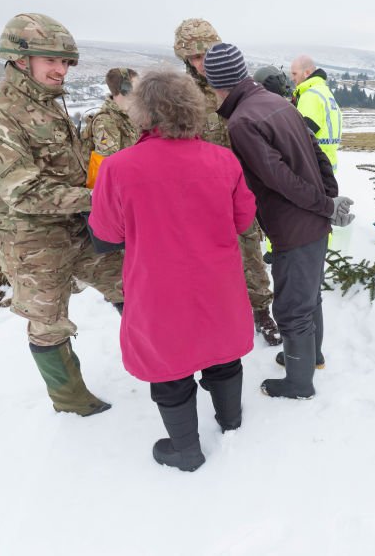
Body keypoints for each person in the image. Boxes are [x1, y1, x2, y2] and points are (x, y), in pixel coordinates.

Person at [89, 70, 255, 472]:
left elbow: (106, 235)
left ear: (143, 112)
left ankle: (185, 449)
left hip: (158, 287)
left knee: (169, 368)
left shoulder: (119, 168)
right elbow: (244, 219)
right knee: (222, 353)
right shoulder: (223, 160)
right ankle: (230, 420)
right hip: (218, 282)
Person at [0, 13, 124, 417]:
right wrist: (103, 198)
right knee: (49, 321)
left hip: (76, 225)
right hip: (30, 237)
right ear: (21, 60)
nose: (61, 70)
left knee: (130, 283)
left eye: (66, 62)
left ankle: (157, 358)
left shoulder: (48, 100)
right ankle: (72, 401)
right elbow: (23, 192)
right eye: (50, 61)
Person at [204, 43, 355, 400]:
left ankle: (298, 383)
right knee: (309, 297)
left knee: (290, 309)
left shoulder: (242, 122)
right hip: (314, 221)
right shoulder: (276, 102)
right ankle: (309, 357)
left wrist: (324, 204)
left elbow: (280, 178)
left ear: (216, 84)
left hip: (294, 227)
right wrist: (328, 199)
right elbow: (317, 152)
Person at [173, 18, 280, 346]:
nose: (202, 63)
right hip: (200, 193)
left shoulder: (235, 85)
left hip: (240, 187)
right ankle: (213, 312)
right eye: (194, 58)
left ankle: (262, 309)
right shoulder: (181, 95)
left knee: (250, 250)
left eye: (207, 54)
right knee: (204, 258)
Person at [81, 67, 141, 188]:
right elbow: (106, 169)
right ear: (125, 88)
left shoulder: (128, 116)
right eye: (137, 85)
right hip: (116, 191)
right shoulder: (106, 122)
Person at [290, 54, 343, 173]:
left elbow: (302, 134)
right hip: (327, 164)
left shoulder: (310, 95)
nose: (292, 78)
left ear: (307, 73)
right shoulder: (324, 92)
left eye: (294, 74)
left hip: (313, 167)